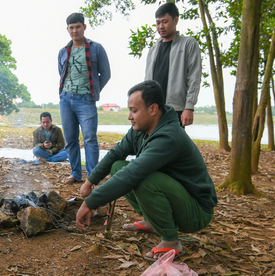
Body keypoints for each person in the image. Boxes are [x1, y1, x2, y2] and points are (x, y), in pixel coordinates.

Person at [75, 81, 217, 261]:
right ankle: (153, 221)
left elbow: (133, 173)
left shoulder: (168, 137)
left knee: (142, 178)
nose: (129, 116)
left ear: (153, 109)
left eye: (134, 110)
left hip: (197, 211)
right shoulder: (141, 130)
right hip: (177, 198)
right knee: (118, 165)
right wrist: (90, 181)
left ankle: (171, 241)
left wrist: (91, 202)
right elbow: (116, 153)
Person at [58, 12, 111, 184]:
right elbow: (62, 74)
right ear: (67, 29)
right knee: (70, 139)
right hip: (66, 100)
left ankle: (93, 177)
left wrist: (92, 91)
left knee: (89, 139)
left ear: (84, 27)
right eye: (71, 28)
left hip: (86, 101)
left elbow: (106, 74)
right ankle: (75, 173)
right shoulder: (63, 51)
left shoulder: (96, 48)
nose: (75, 31)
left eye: (78, 27)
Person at [144, 2, 202, 128]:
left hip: (175, 109)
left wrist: (189, 107)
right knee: (152, 145)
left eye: (165, 21)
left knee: (173, 145)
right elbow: (147, 81)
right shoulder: (153, 49)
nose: (161, 26)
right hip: (153, 109)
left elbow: (194, 77)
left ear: (175, 20)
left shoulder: (188, 44)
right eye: (158, 22)